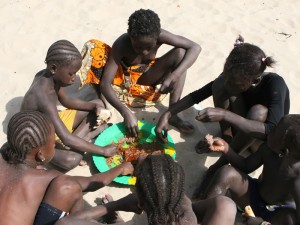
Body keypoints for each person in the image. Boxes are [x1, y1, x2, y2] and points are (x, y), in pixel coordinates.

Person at [154, 36, 289, 197]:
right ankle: (227, 137)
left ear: (255, 80)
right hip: (241, 124)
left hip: (258, 139)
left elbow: (273, 130)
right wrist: (168, 114)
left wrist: (224, 114)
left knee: (258, 111)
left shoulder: (275, 85)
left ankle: (218, 165)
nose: (229, 84)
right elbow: (198, 94)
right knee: (218, 84)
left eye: (235, 84)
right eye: (228, 76)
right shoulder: (234, 76)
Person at [79, 8, 201, 137]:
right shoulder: (121, 44)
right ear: (130, 36)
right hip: (123, 81)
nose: (144, 52)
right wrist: (125, 112)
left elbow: (195, 47)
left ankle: (172, 114)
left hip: (146, 80)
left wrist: (173, 76)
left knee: (181, 53)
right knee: (94, 47)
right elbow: (105, 84)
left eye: (149, 47)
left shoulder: (160, 35)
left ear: (157, 36)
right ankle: (102, 99)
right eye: (138, 47)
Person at [0, 111, 135, 225]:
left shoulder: (4, 155)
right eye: (53, 143)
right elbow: (92, 183)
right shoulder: (44, 178)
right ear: (41, 154)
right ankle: (85, 219)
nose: (55, 145)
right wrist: (121, 169)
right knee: (69, 187)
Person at [56, 154, 237, 225]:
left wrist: (115, 205)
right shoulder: (186, 206)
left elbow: (65, 223)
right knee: (225, 204)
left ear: (140, 203)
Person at [21, 40, 118, 171]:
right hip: (38, 138)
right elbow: (66, 138)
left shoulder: (50, 77)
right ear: (54, 68)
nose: (74, 78)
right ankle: (85, 138)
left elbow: (66, 101)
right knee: (72, 159)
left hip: (51, 123)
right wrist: (103, 151)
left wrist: (93, 108)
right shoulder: (43, 96)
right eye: (71, 73)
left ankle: (81, 140)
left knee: (98, 104)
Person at [201, 114, 300, 225]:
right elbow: (245, 166)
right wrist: (225, 148)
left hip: (274, 216)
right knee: (226, 172)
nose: (270, 131)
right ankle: (204, 212)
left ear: (284, 151)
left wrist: (262, 224)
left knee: (290, 220)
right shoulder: (268, 150)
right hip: (253, 197)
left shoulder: (297, 180)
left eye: (275, 131)